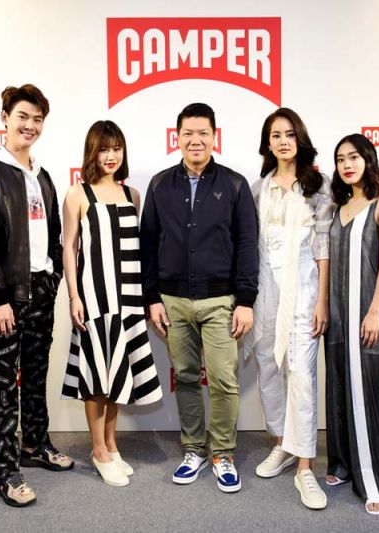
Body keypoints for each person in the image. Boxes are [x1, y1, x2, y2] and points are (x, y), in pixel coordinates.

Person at [0, 84, 74, 507]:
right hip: (6, 297)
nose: (30, 125)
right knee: (3, 384)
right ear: (5, 118)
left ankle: (35, 444)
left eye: (37, 119)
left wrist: (55, 276)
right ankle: (5, 471)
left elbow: (52, 236)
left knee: (37, 374)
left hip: (41, 290)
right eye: (22, 116)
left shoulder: (41, 174)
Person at [140, 102, 258, 493]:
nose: (195, 140)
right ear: (177, 138)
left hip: (221, 301)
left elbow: (247, 244)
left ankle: (222, 453)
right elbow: (148, 244)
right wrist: (152, 298)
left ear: (214, 137)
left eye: (203, 133)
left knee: (223, 381)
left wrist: (246, 300)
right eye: (188, 133)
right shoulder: (160, 184)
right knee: (187, 378)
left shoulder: (234, 184)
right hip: (172, 302)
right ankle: (193, 450)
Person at [60, 120, 162, 487]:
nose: (111, 155)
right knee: (96, 374)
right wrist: (74, 296)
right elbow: (69, 248)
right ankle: (98, 450)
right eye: (104, 148)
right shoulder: (78, 194)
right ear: (92, 151)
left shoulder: (132, 194)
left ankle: (112, 445)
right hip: (94, 297)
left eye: (116, 148)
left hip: (129, 298)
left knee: (118, 373)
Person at [247, 108, 333, 509]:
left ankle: (305, 467)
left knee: (300, 375)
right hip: (266, 292)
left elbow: (323, 246)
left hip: (304, 292)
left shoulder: (318, 185)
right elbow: (253, 245)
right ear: (267, 143)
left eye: (289, 134)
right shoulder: (259, 188)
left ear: (300, 138)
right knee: (268, 367)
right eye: (275, 135)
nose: (283, 141)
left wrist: (322, 300)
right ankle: (282, 443)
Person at [324, 134, 379, 515]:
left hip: (368, 312)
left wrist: (374, 310)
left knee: (366, 393)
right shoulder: (336, 208)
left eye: (354, 157)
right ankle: (341, 463)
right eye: (341, 159)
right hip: (338, 315)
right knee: (339, 387)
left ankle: (372, 480)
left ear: (368, 160)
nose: (347, 165)